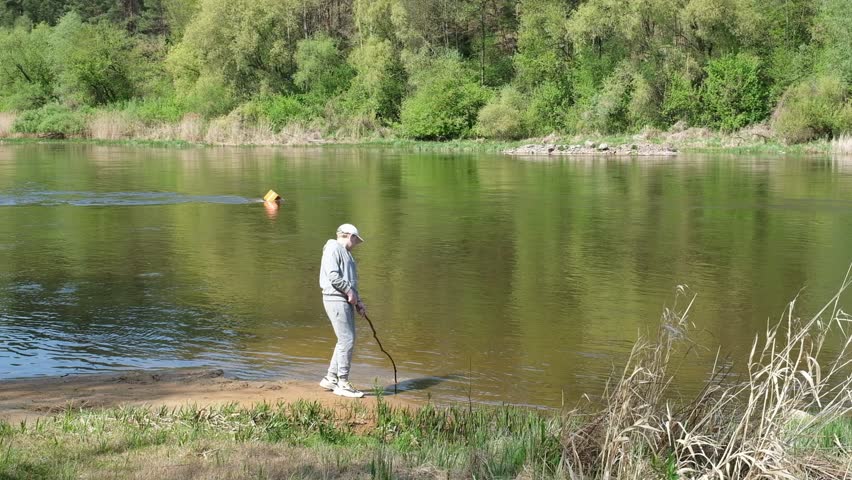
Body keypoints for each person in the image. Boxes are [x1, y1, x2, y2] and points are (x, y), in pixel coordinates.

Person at [318, 223, 367, 398]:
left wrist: (358, 301)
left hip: (344, 300)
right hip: (335, 298)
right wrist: (348, 292)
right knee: (347, 340)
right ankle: (343, 383)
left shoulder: (347, 255)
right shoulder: (333, 248)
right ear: (349, 236)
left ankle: (331, 378)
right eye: (355, 240)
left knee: (344, 340)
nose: (355, 244)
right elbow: (333, 276)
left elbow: (351, 283)